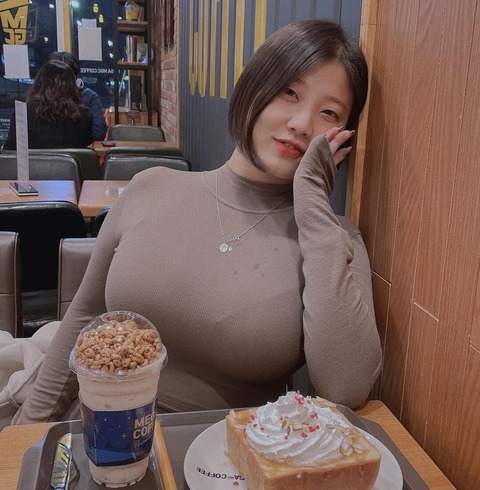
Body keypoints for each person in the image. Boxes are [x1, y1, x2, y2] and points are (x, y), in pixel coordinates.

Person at [13, 20, 382, 424]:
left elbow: (345, 386)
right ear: (254, 87)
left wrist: (312, 200)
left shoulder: (334, 240)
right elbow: (82, 322)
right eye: (289, 92)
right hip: (100, 437)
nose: (302, 123)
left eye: (329, 112)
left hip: (226, 454)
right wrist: (25, 438)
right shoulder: (150, 187)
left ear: (343, 136)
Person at [3, 60, 93, 150]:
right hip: (70, 160)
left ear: (39, 83)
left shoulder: (23, 112)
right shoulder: (84, 115)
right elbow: (85, 147)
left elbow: (11, 150)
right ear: (72, 85)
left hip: (33, 160)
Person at [48, 51, 108, 141]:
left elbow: (99, 133)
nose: (61, 83)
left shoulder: (89, 96)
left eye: (65, 77)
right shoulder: (40, 99)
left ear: (75, 77)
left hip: (79, 149)